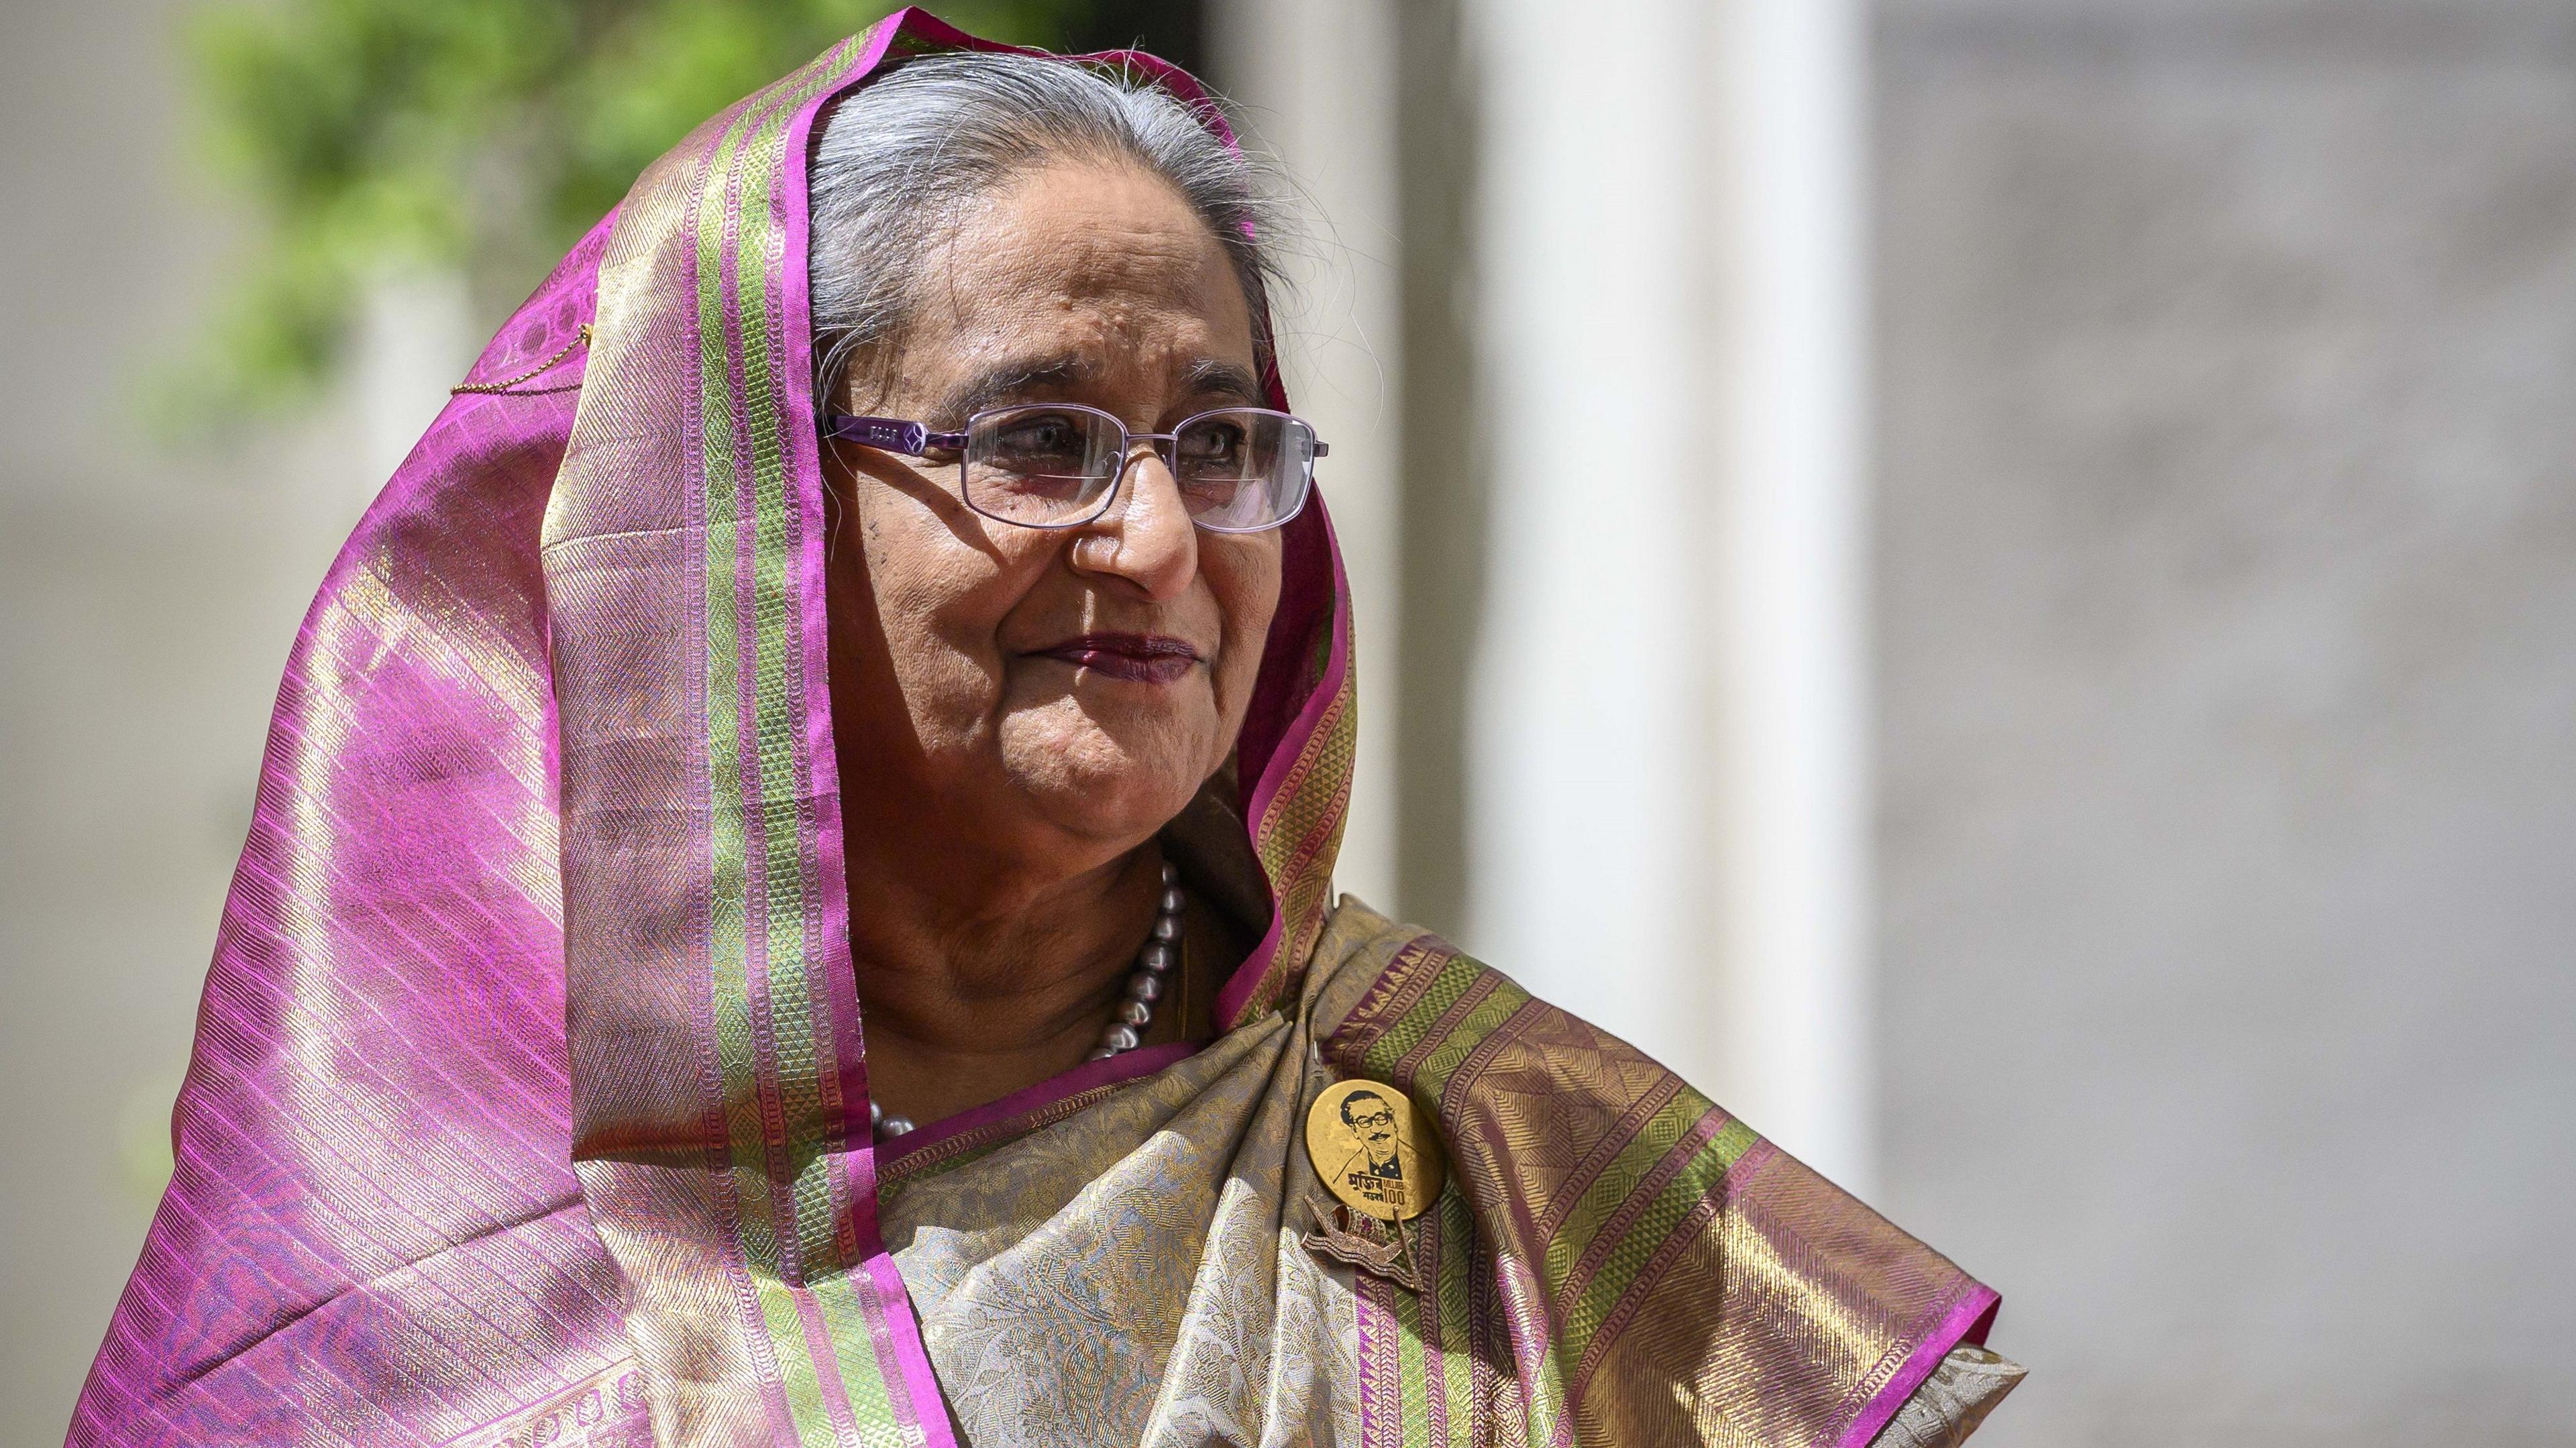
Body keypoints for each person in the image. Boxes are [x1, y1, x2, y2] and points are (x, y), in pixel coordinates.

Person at [67, 11, 2021, 1446]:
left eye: (1223, 442)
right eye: (1038, 439)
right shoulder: (429, 1216)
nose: (1162, 540)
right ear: (745, 522)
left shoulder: (1508, 1165)